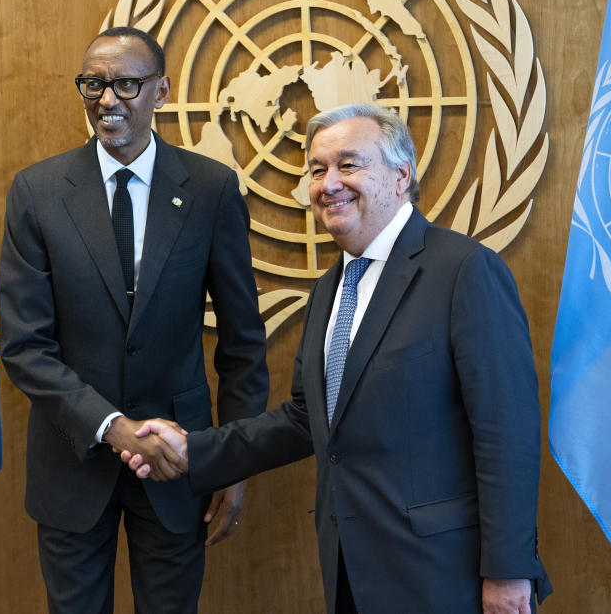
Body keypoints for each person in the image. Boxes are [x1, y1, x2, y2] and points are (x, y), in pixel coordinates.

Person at [124, 103, 551, 613]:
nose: (329, 184)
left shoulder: (464, 271)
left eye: (349, 165)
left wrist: (508, 572)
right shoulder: (330, 288)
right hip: (350, 568)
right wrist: (194, 449)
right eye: (317, 169)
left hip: (444, 574)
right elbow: (309, 419)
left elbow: (507, 436)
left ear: (401, 177)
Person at [0, 26, 269, 614]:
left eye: (125, 83)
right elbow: (24, 346)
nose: (106, 99)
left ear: (162, 90)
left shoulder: (211, 190)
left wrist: (233, 462)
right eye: (93, 84)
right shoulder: (38, 192)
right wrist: (111, 426)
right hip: (73, 462)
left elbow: (243, 344)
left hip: (178, 464)